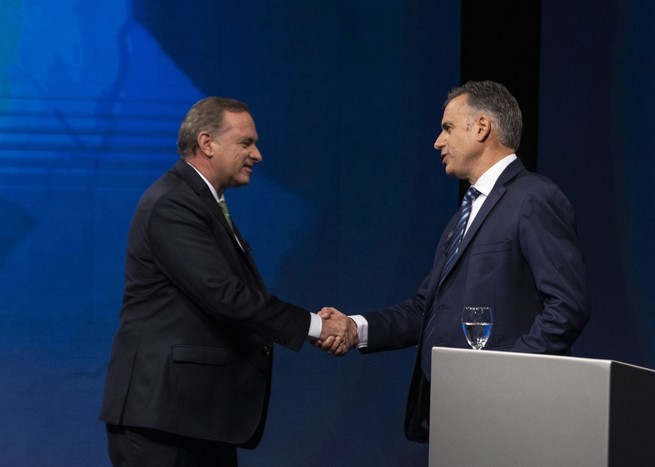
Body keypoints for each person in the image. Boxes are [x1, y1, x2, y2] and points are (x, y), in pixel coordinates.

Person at [318, 80, 590, 443]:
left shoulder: (533, 198)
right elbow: (424, 310)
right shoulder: (463, 215)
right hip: (454, 411)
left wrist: (508, 375)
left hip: (506, 413)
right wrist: (356, 328)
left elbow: (567, 307)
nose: (437, 141)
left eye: (447, 127)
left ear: (481, 128)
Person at [100, 97, 353, 466]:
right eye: (246, 143)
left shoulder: (201, 201)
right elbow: (226, 296)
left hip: (195, 420)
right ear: (206, 143)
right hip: (164, 422)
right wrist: (316, 325)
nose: (258, 155)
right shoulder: (173, 203)